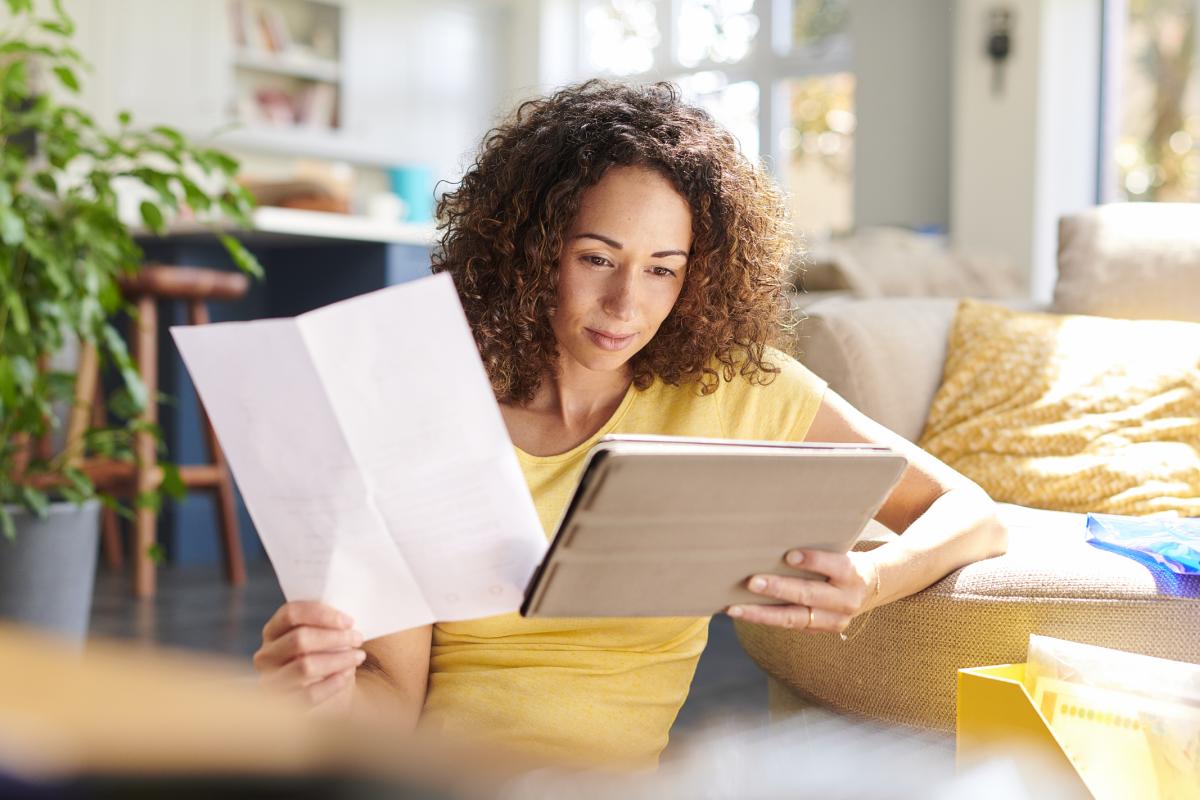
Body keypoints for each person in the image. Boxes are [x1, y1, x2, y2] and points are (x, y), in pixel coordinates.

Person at [253, 80, 1006, 770]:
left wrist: (871, 580)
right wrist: (325, 692)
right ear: (531, 249)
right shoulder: (428, 405)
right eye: (597, 258)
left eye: (662, 269)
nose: (626, 305)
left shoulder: (735, 388)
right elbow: (393, 708)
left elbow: (970, 512)